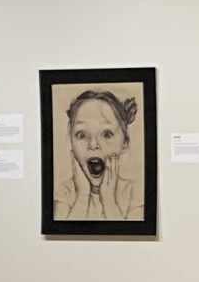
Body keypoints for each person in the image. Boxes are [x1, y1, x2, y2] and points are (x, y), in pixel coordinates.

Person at [57, 87, 142, 222]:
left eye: (107, 134)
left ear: (125, 143)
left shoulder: (134, 192)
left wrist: (108, 200)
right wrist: (82, 195)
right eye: (82, 134)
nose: (93, 144)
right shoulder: (65, 192)